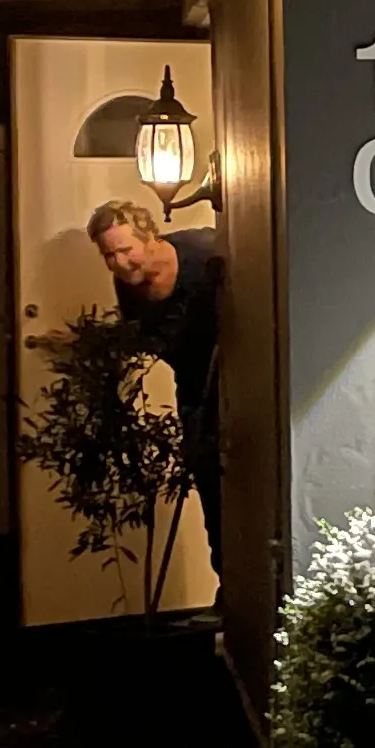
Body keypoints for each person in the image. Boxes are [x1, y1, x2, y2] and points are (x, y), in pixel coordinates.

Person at [87, 198, 225, 563]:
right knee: (210, 490)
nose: (119, 263)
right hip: (194, 391)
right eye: (109, 255)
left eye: (125, 250)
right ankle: (227, 584)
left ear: (150, 236)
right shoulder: (128, 287)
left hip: (239, 382)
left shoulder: (204, 252)